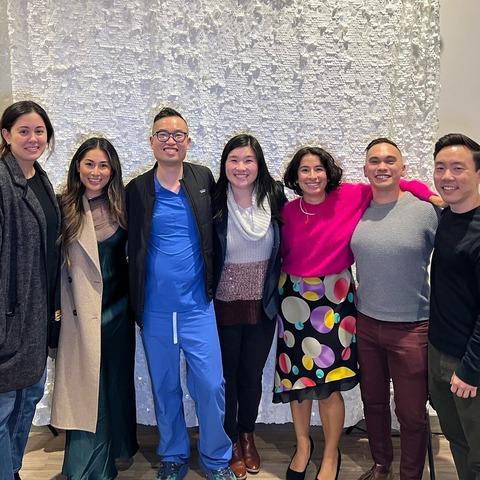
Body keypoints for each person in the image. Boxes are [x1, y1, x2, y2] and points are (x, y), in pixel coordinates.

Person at [275, 146, 436, 480]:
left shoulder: (349, 197)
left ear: (329, 173)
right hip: (293, 299)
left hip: (334, 300)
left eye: (318, 169)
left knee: (330, 383)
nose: (312, 176)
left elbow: (394, 182)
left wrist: (431, 196)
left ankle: (331, 454)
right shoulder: (287, 212)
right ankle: (303, 446)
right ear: (295, 176)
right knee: (297, 380)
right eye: (304, 170)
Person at [126, 107, 235, 480]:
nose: (170, 141)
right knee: (165, 386)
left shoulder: (202, 178)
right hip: (155, 310)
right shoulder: (137, 189)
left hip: (197, 307)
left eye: (177, 135)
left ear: (188, 141)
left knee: (211, 384)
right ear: (151, 141)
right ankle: (173, 455)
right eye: (163, 134)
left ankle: (216, 459)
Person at [350, 138, 439, 480]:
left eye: (390, 160)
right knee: (373, 403)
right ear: (365, 170)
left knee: (412, 414)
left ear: (403, 169)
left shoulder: (425, 211)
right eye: (375, 161)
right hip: (366, 324)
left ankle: (410, 475)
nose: (382, 166)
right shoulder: (358, 210)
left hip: (412, 327)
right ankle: (381, 464)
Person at [50, 138, 138, 479]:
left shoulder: (124, 205)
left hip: (119, 312)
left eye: (103, 165)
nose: (96, 172)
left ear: (112, 170)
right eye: (89, 164)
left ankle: (117, 449)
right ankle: (90, 468)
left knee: (115, 383)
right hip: (81, 313)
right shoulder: (64, 207)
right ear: (78, 167)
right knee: (89, 389)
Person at [212, 134, 287, 479]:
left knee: (251, 375)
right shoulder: (214, 199)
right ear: (225, 164)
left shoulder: (274, 196)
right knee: (226, 377)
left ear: (259, 165)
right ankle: (228, 439)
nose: (241, 167)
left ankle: (247, 434)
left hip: (263, 304)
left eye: (248, 160)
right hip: (223, 304)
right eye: (234, 160)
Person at [0, 100, 60, 480]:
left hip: (36, 316)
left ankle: (12, 469)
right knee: (4, 406)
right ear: (7, 135)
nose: (33, 138)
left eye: (39, 131)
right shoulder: (2, 182)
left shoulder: (40, 179)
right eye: (24, 131)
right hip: (8, 318)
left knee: (28, 400)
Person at [429, 133, 480, 480]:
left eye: (458, 168)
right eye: (440, 167)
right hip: (438, 350)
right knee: (457, 440)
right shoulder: (449, 214)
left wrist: (471, 368)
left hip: (468, 361)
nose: (447, 176)